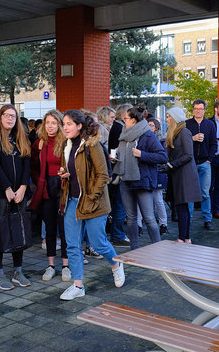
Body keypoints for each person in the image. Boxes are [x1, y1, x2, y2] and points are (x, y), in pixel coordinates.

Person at [58, 110, 125, 301]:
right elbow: (76, 171)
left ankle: (116, 265)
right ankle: (78, 285)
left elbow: (104, 175)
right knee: (72, 245)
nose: (65, 127)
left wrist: (92, 196)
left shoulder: (92, 144)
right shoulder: (67, 145)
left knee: (97, 243)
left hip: (94, 202)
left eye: (69, 124)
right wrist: (65, 174)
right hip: (72, 201)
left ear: (79, 126)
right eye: (64, 124)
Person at [0, 104, 31, 291]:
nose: (10, 119)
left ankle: (18, 270)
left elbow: (27, 163)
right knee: (0, 230)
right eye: (6, 115)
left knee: (17, 229)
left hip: (19, 192)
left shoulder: (21, 137)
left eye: (13, 116)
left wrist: (22, 187)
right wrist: (7, 188)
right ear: (0, 117)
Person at [114, 107, 167, 249]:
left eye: (125, 118)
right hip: (126, 180)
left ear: (133, 120)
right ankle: (134, 249)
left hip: (143, 181)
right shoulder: (124, 135)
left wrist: (142, 154)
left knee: (149, 218)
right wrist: (116, 159)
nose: (123, 120)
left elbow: (162, 157)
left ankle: (157, 249)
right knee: (131, 218)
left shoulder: (148, 135)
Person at [30, 110, 71, 281]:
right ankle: (51, 265)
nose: (50, 126)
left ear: (60, 125)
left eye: (54, 123)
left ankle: (66, 266)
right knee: (50, 229)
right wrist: (39, 182)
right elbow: (33, 166)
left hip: (62, 189)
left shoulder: (66, 143)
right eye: (47, 122)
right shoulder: (39, 143)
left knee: (65, 229)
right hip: (46, 188)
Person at [165, 107, 201, 243]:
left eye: (168, 117)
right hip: (178, 174)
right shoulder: (175, 133)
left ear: (175, 118)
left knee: (182, 207)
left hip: (184, 175)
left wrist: (171, 164)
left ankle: (183, 238)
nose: (167, 119)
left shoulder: (184, 132)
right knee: (181, 207)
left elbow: (188, 155)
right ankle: (185, 238)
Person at [185, 99, 217, 230]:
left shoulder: (210, 124)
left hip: (205, 162)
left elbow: (214, 143)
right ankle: (188, 218)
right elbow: (181, 142)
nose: (198, 111)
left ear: (204, 110)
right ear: (193, 110)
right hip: (190, 163)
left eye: (200, 109)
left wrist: (209, 159)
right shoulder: (186, 124)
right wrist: (192, 138)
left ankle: (207, 219)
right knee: (190, 193)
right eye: (196, 109)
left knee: (205, 192)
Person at [108, 103, 133, 246]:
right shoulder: (120, 128)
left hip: (116, 170)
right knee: (120, 205)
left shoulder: (115, 127)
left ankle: (116, 233)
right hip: (119, 171)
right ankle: (117, 235)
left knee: (118, 204)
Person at [147, 118, 169, 235]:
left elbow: (162, 158)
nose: (149, 127)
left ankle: (163, 223)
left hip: (157, 172)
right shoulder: (143, 139)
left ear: (156, 127)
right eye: (148, 125)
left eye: (151, 125)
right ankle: (140, 224)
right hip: (147, 173)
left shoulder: (161, 141)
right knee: (144, 200)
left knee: (158, 199)